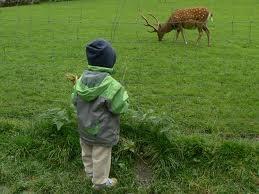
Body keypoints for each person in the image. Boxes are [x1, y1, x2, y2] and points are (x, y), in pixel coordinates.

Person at [71, 38, 129, 190]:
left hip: (84, 127)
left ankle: (90, 174)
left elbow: (74, 100)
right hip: (103, 131)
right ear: (110, 61)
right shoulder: (112, 85)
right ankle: (100, 182)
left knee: (87, 152)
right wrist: (125, 98)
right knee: (101, 156)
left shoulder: (81, 80)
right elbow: (119, 108)